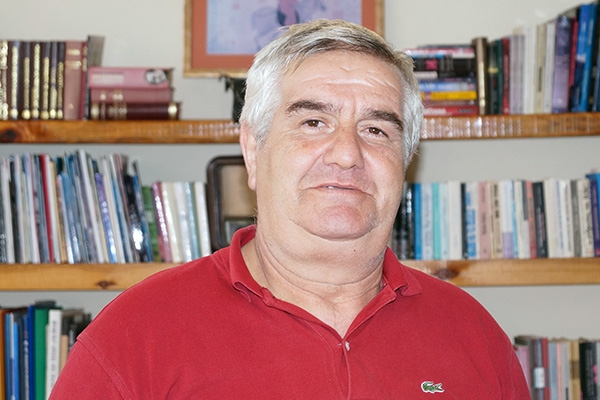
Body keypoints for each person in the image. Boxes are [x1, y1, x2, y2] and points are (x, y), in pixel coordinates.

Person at [50, 19, 530, 399]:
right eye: (313, 122)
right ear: (253, 150)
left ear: (405, 162)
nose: (346, 154)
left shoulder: (476, 338)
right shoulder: (133, 336)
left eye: (376, 130)